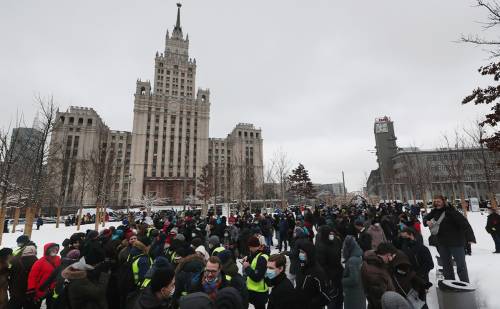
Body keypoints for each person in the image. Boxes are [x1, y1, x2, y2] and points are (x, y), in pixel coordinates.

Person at [424, 195, 476, 282]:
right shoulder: (435, 211)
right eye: (435, 201)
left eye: (439, 201)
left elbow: (465, 224)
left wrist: (470, 237)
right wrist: (426, 221)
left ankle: (465, 283)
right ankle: (449, 282)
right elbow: (425, 218)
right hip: (442, 243)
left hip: (456, 242)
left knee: (461, 265)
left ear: (444, 202)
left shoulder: (452, 211)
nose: (437, 203)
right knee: (446, 264)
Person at [361, 243, 397, 309]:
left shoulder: (376, 263)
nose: (391, 260)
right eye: (392, 257)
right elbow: (379, 299)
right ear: (388, 255)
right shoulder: (375, 272)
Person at [295, 241, 330, 309]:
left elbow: (325, 295)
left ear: (309, 253)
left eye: (302, 252)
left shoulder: (318, 271)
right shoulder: (301, 267)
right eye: (300, 251)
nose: (300, 254)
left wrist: (311, 304)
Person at [315, 225, 343, 309]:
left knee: (339, 298)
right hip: (329, 276)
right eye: (329, 233)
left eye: (332, 233)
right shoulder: (321, 245)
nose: (331, 234)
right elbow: (321, 264)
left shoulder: (336, 241)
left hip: (338, 272)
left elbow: (339, 252)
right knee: (332, 298)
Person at [27, 243, 61, 308]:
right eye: (52, 249)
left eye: (56, 249)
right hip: (40, 288)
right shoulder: (40, 262)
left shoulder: (59, 260)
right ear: (47, 250)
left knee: (51, 305)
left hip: (53, 288)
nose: (54, 251)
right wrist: (31, 289)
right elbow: (32, 276)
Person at [242, 236, 268, 309]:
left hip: (259, 292)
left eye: (250, 247)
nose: (250, 249)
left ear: (253, 246)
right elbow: (254, 259)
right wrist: (248, 258)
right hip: (254, 290)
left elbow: (257, 277)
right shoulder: (258, 254)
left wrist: (247, 267)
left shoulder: (262, 258)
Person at [341, 236, 366, 309]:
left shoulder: (353, 260)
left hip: (353, 294)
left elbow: (354, 279)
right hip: (359, 292)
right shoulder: (358, 257)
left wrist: (343, 281)